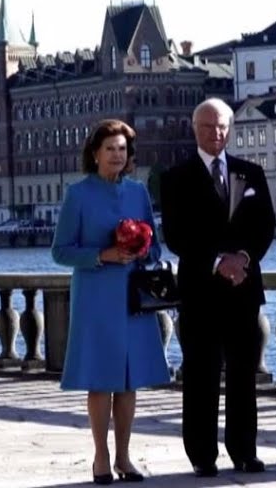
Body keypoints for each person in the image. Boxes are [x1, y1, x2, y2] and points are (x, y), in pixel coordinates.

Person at [160, 98, 276, 477]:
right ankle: (202, 455)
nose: (216, 133)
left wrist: (242, 258)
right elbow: (176, 235)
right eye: (209, 127)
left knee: (244, 375)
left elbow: (265, 226)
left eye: (223, 127)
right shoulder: (176, 177)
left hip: (243, 288)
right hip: (200, 291)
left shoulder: (251, 172)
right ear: (195, 129)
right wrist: (217, 262)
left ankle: (244, 450)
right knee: (200, 375)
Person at [51, 119, 170, 485]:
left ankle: (124, 456)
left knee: (129, 380)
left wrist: (144, 250)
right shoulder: (78, 194)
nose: (117, 155)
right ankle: (101, 457)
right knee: (101, 380)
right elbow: (60, 252)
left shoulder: (138, 193)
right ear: (95, 153)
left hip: (132, 297)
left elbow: (155, 246)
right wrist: (103, 254)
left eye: (123, 149)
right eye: (110, 149)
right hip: (97, 298)